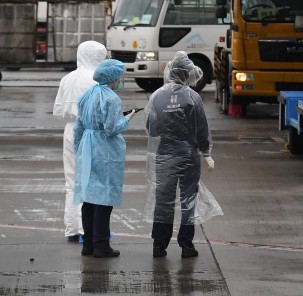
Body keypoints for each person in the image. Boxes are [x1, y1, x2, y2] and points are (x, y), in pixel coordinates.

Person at [144, 52, 217, 259]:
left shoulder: (157, 96)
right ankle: (186, 245)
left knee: (163, 200)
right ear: (187, 74)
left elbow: (152, 129)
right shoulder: (192, 97)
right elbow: (201, 129)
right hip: (187, 155)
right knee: (188, 199)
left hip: (164, 154)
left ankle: (159, 245)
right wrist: (206, 152)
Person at [73, 59, 139, 258]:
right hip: (105, 150)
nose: (120, 80)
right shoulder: (111, 99)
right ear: (114, 78)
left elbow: (78, 125)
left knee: (89, 195)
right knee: (104, 196)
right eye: (119, 77)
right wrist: (126, 119)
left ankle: (88, 244)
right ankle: (101, 244)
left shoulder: (86, 95)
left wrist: (79, 149)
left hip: (87, 145)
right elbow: (111, 128)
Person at [53, 40, 106, 243]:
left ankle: (72, 229)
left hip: (70, 130)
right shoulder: (96, 80)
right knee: (90, 181)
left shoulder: (67, 78)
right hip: (90, 132)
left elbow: (58, 111)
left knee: (71, 181)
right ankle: (87, 230)